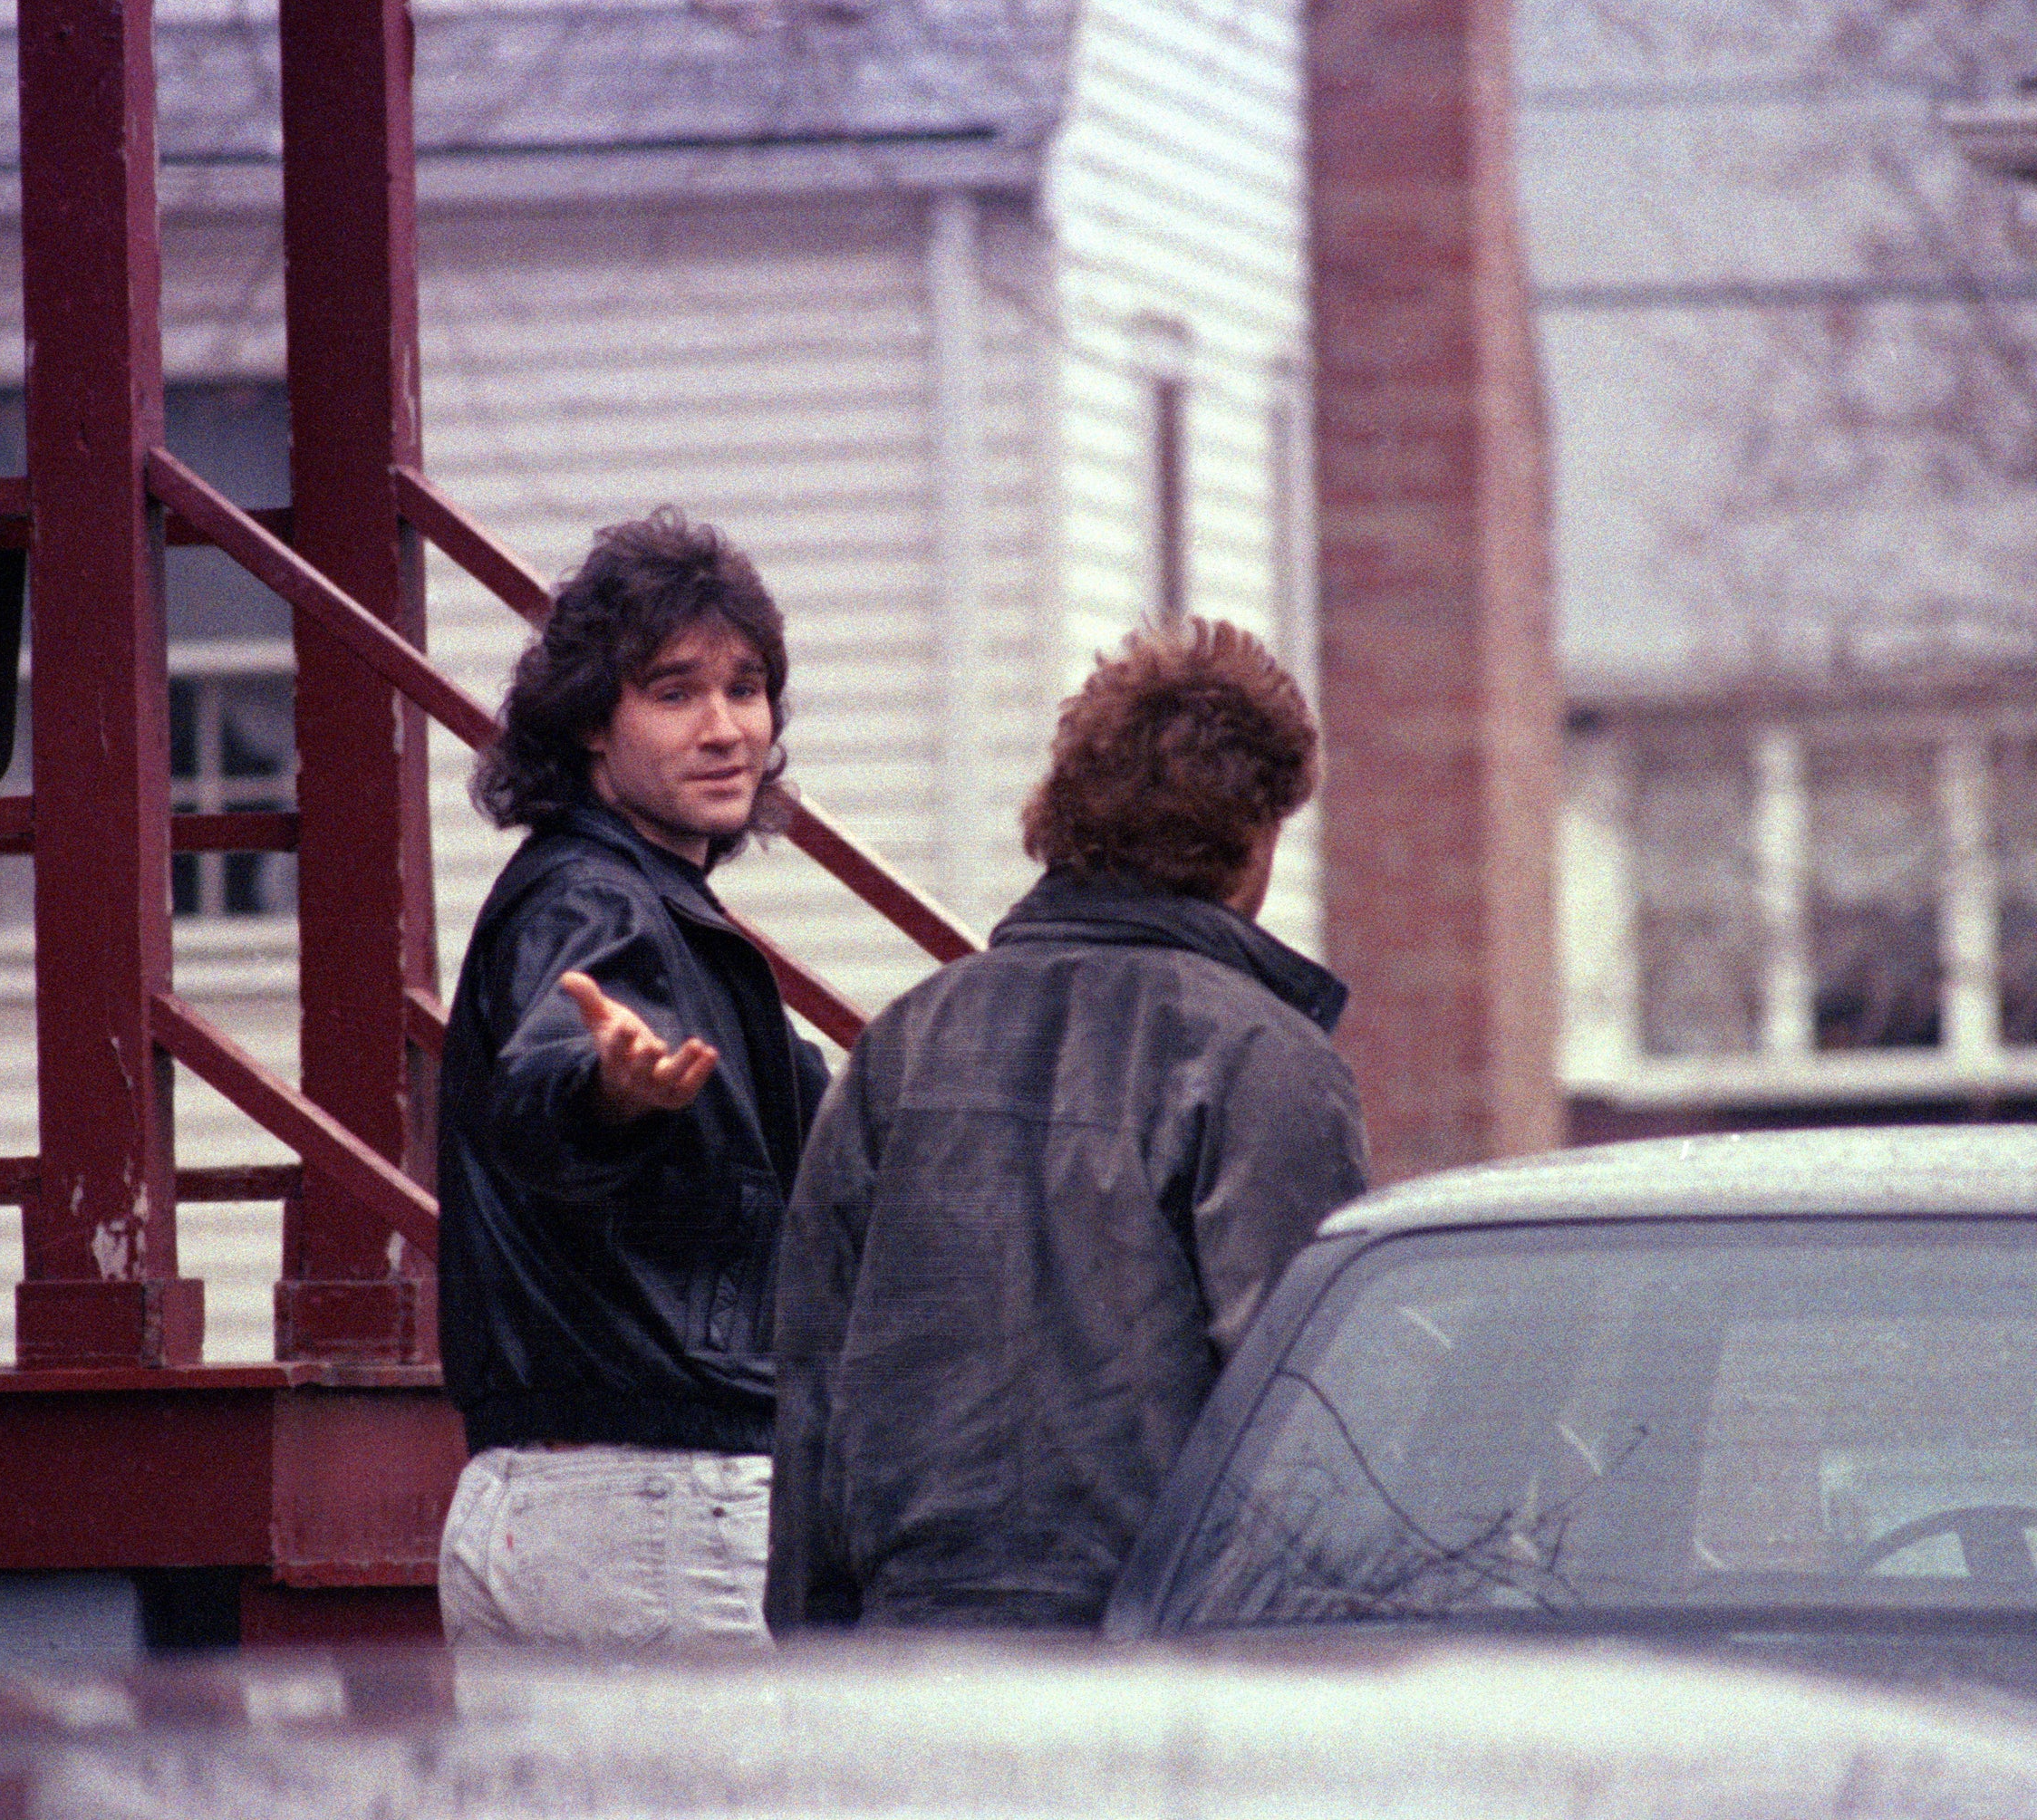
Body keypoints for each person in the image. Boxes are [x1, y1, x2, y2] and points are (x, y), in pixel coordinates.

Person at [767, 618, 1369, 1632]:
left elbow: (811, 1379)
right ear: (1258, 830)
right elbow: (1303, 1414)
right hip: (1154, 1672)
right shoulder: (1265, 1060)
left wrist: (820, 1650)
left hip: (902, 1663)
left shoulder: (903, 1043)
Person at [435, 508, 829, 1648]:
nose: (726, 728)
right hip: (654, 1511)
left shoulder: (651, 905)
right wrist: (611, 1096)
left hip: (540, 1506)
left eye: (746, 688)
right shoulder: (596, 904)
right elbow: (551, 1082)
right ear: (589, 730)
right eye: (673, 691)